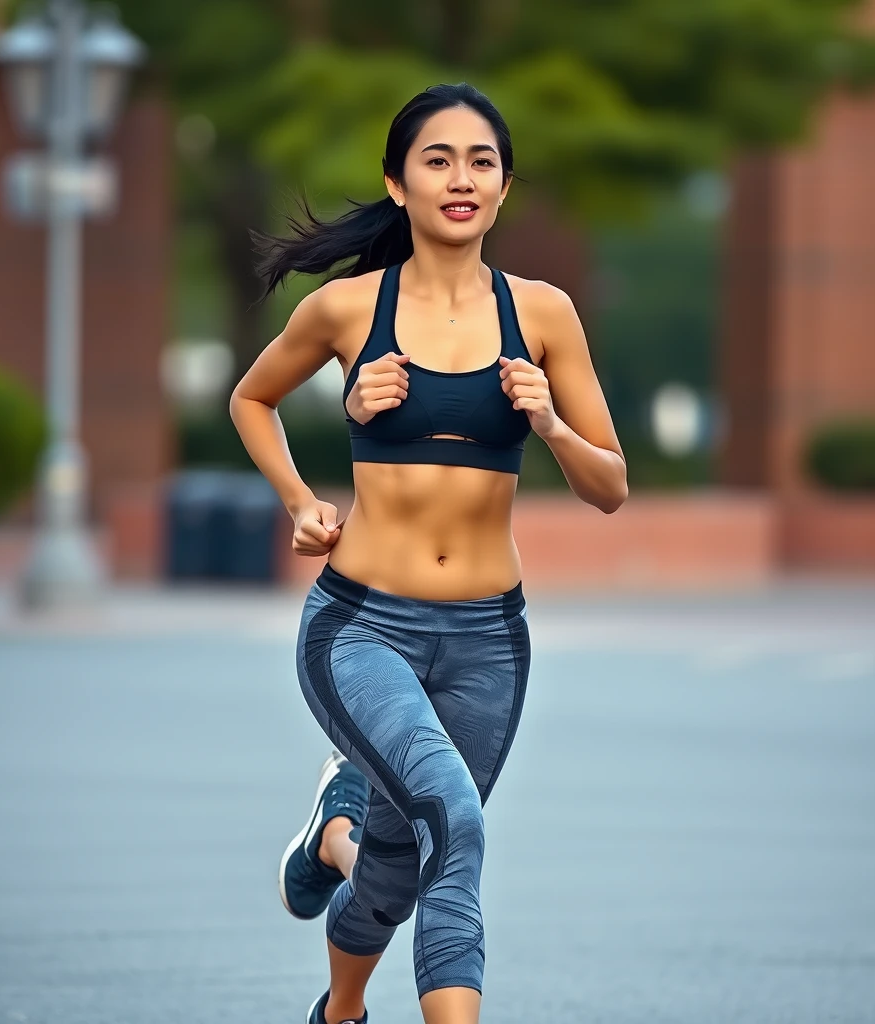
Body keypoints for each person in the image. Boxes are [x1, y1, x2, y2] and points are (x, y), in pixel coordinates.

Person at [230, 82, 627, 1024]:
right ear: (397, 183)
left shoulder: (543, 314)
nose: (461, 179)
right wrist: (302, 499)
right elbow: (252, 398)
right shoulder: (346, 309)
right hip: (363, 624)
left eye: (481, 162)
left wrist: (548, 424)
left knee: (406, 866)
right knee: (458, 826)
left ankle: (337, 963)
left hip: (491, 640)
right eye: (437, 160)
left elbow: (609, 484)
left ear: (504, 187)